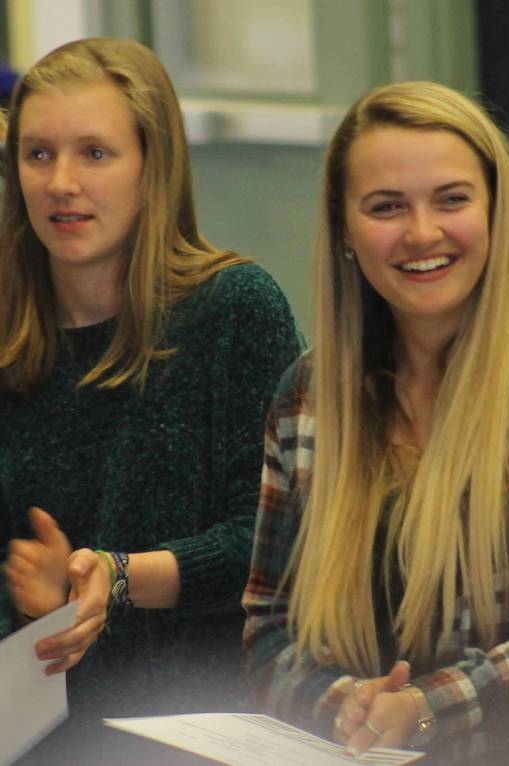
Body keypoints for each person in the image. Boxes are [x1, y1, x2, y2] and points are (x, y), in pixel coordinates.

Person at [242, 81, 509, 764]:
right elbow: (268, 628)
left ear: (494, 210)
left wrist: (426, 708)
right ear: (344, 227)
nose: (423, 233)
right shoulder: (308, 394)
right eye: (386, 207)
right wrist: (351, 706)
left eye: (452, 199)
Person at [0, 38, 301, 762]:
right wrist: (30, 604)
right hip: (32, 732)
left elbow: (277, 543)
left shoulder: (233, 310)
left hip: (195, 726)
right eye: (38, 155)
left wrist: (115, 575)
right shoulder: (9, 333)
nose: (61, 183)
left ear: (151, 167)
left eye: (95, 154)